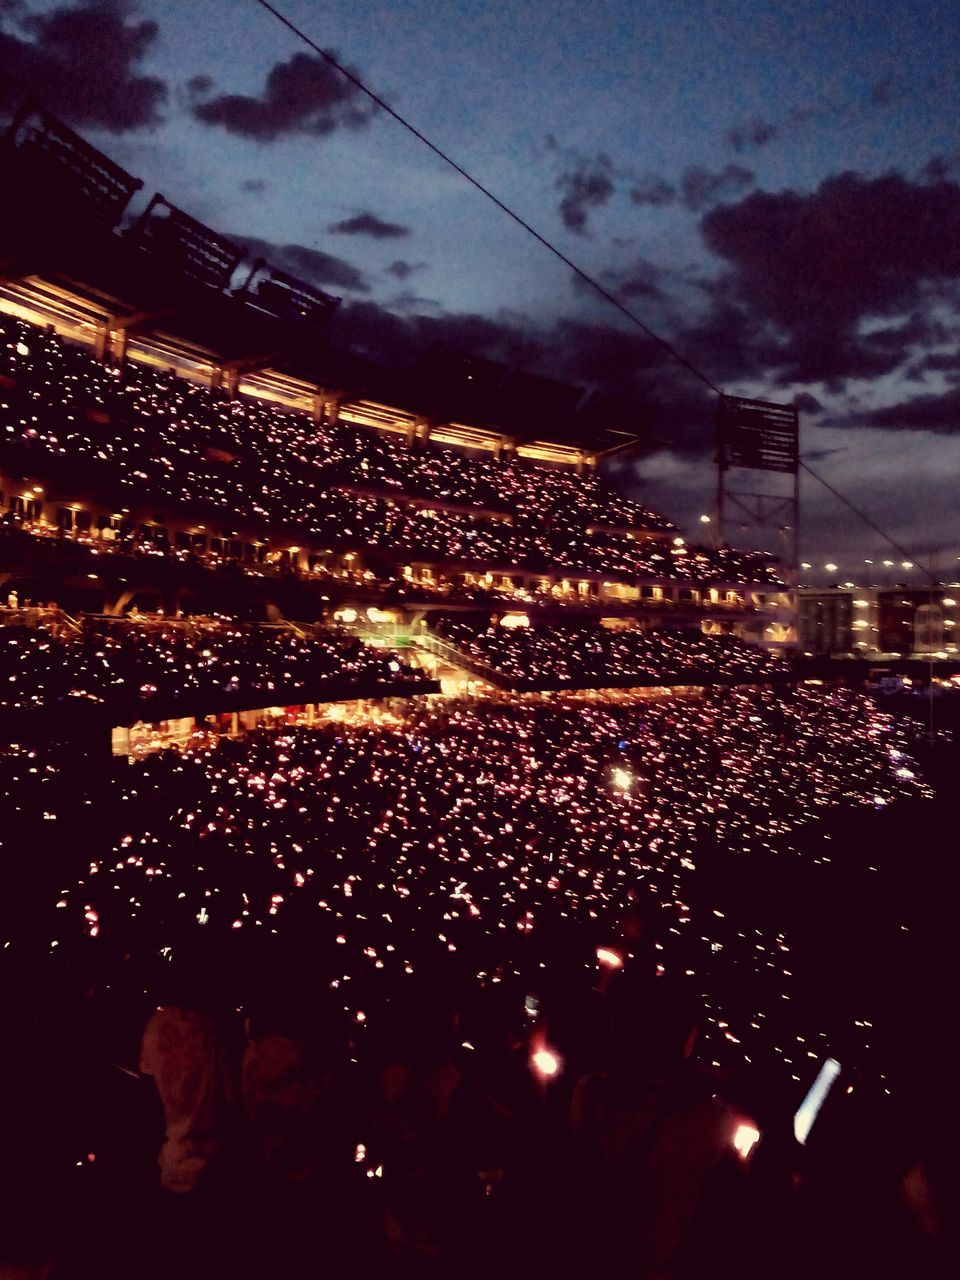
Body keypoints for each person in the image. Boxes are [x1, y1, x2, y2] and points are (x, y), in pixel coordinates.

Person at [568, 971, 754, 1278]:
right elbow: (731, 1219)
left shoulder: (587, 1095)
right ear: (684, 1039)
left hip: (586, 1263)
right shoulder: (708, 1122)